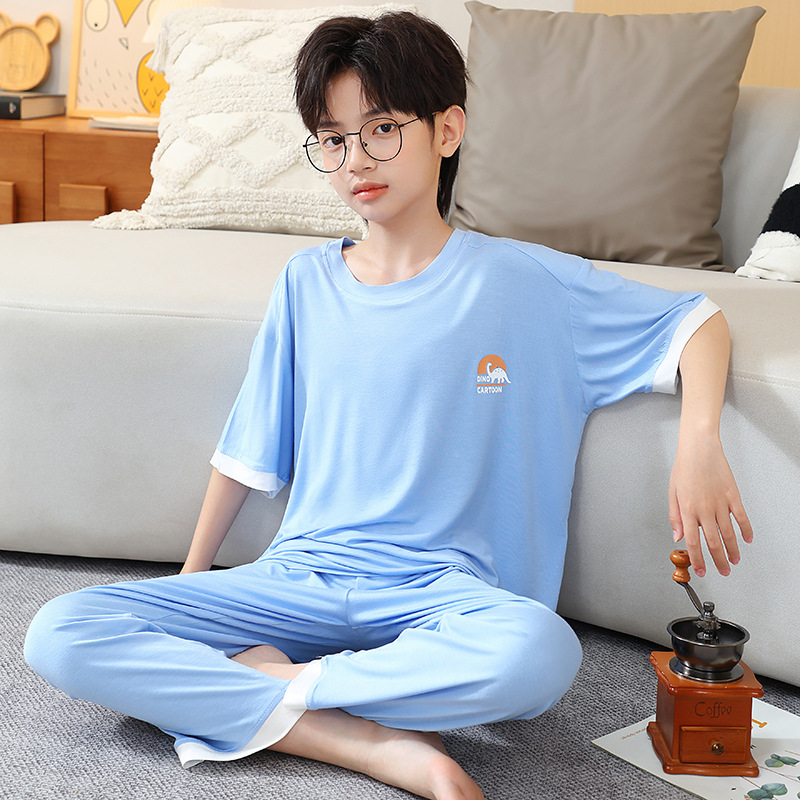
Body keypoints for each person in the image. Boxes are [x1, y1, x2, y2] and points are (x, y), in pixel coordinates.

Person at [24, 11, 752, 800]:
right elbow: (245, 454)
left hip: (450, 595)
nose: (356, 161)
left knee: (540, 655)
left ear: (448, 130)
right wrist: (190, 592)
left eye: (380, 130)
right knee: (60, 631)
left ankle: (278, 689)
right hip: (303, 577)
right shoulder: (306, 284)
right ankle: (368, 745)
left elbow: (697, 322)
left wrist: (698, 443)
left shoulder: (524, 281)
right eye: (333, 139)